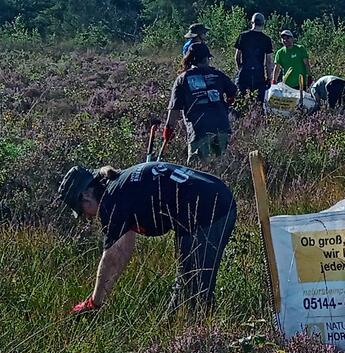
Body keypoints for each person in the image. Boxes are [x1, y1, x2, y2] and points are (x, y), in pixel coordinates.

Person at [58, 160, 236, 316]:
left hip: (210, 211)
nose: (86, 218)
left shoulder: (111, 204)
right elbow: (123, 249)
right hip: (212, 197)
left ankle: (207, 343)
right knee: (187, 289)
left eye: (81, 211)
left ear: (86, 195)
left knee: (194, 295)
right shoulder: (117, 185)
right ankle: (187, 335)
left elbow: (112, 258)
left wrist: (93, 303)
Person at [165, 42, 238, 162]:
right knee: (220, 166)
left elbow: (174, 110)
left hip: (199, 131)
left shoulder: (182, 79)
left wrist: (168, 130)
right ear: (207, 58)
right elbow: (234, 92)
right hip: (221, 127)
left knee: (198, 170)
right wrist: (228, 103)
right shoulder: (217, 75)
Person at [233, 13, 274, 112]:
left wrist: (240, 68)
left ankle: (240, 121)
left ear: (252, 22)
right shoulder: (266, 39)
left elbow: (237, 56)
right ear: (263, 23)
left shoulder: (243, 36)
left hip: (244, 72)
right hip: (258, 73)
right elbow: (269, 62)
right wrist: (269, 78)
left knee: (241, 100)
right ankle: (257, 121)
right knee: (259, 102)